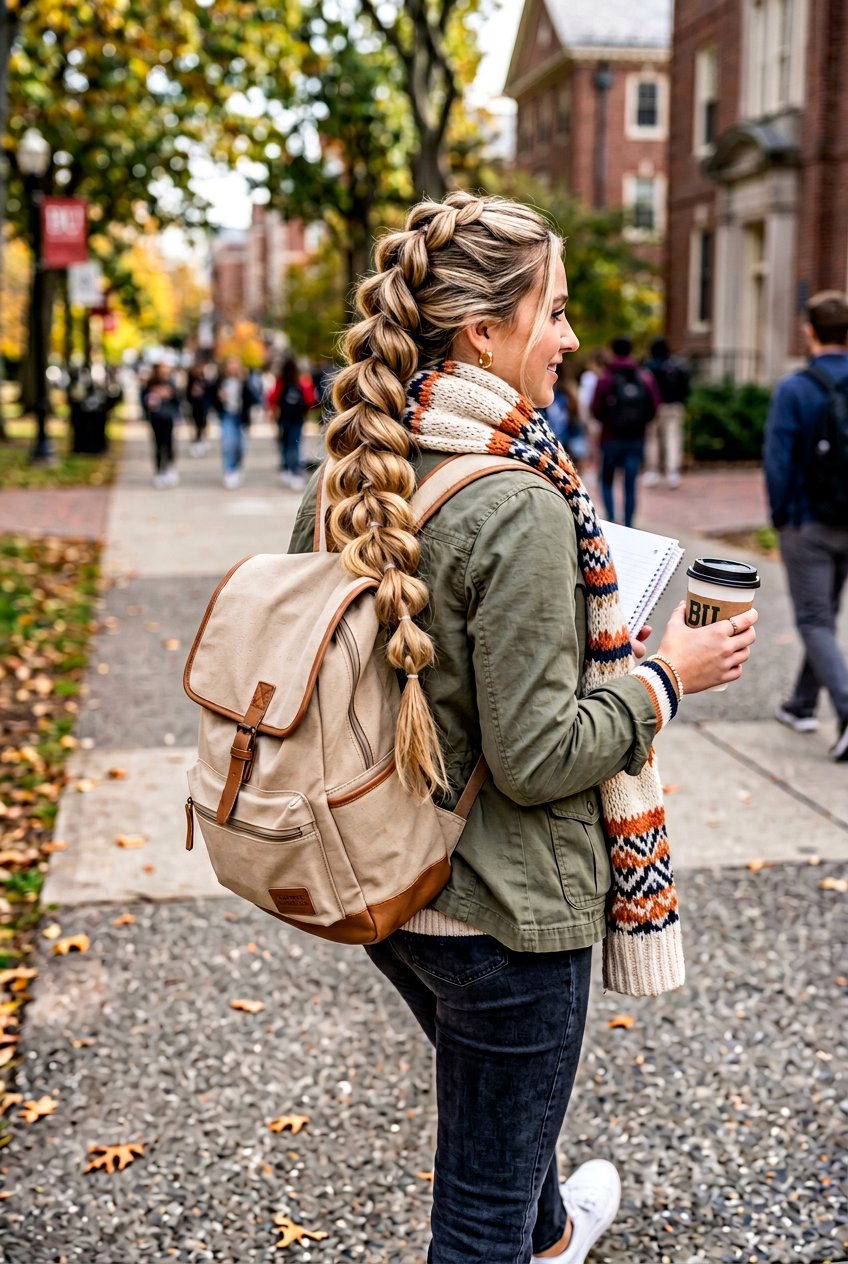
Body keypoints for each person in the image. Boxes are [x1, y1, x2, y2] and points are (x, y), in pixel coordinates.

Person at [287, 190, 758, 1263]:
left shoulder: (362, 461)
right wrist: (661, 679)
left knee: (496, 1117)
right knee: (475, 1220)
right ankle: (526, 1232)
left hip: (389, 886)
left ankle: (554, 1231)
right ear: (482, 331)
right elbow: (539, 756)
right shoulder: (522, 501)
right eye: (552, 309)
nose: (570, 336)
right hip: (501, 915)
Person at [764, 289, 848, 761]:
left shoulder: (795, 389)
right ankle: (801, 704)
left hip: (808, 522)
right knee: (825, 616)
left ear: (810, 331)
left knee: (815, 618)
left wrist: (782, 518)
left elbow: (778, 463)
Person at [591, 336, 660, 527]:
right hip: (636, 438)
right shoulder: (644, 377)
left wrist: (608, 422)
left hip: (610, 437)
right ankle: (629, 524)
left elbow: (595, 408)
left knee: (606, 479)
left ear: (613, 351)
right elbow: (654, 406)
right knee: (630, 483)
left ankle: (612, 520)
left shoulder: (606, 378)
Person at [642, 338, 691, 489]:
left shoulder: (649, 367)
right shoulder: (677, 366)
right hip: (675, 406)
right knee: (673, 438)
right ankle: (672, 472)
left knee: (652, 439)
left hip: (654, 408)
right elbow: (687, 388)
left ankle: (653, 471)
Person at [270, 355, 310, 489]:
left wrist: (273, 416)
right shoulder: (301, 381)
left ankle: (287, 468)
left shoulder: (280, 382)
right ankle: (295, 471)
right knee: (295, 444)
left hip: (284, 418)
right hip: (297, 419)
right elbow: (310, 399)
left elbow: (272, 399)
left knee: (285, 444)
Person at [140, 361, 180, 489]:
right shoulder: (150, 384)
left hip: (168, 417)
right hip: (155, 418)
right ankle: (159, 472)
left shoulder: (171, 383)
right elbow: (143, 399)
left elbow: (178, 400)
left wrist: (169, 395)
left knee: (169, 443)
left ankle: (169, 468)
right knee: (158, 444)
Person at [216, 357, 249, 490]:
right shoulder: (220, 382)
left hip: (240, 417)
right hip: (227, 415)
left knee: (240, 445)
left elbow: (251, 398)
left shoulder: (244, 381)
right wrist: (219, 398)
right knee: (228, 443)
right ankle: (229, 470)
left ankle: (237, 466)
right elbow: (211, 396)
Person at [186, 359, 210, 456]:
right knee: (195, 425)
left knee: (202, 424)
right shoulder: (191, 380)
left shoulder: (204, 380)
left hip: (203, 406)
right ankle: (196, 441)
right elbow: (187, 394)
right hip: (194, 406)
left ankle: (201, 440)